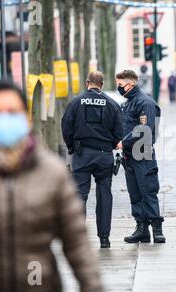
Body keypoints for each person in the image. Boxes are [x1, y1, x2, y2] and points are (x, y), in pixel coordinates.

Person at [0, 81, 102, 291]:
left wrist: (92, 286)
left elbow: (78, 244)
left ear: (25, 118)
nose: (5, 119)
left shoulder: (51, 172)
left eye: (12, 112)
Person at [62, 71, 123, 249]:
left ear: (87, 83)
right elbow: (119, 131)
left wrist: (72, 147)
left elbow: (66, 126)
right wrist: (110, 143)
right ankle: (104, 238)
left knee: (80, 196)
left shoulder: (76, 102)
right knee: (104, 194)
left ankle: (78, 238)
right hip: (104, 155)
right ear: (102, 85)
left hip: (82, 155)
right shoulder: (112, 104)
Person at [115, 70, 165, 244]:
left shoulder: (145, 103)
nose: (119, 88)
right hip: (130, 155)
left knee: (148, 191)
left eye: (121, 85)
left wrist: (124, 142)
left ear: (131, 84)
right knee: (135, 193)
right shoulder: (127, 104)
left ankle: (157, 230)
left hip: (143, 153)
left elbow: (145, 130)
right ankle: (142, 228)